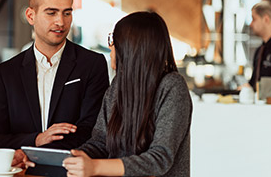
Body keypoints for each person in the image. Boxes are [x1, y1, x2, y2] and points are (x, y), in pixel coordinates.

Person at [0, 0, 109, 168]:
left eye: (67, 13)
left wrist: (32, 153)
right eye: (51, 13)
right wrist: (37, 140)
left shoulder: (92, 64)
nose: (61, 22)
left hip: (71, 172)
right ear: (30, 16)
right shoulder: (6, 73)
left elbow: (93, 133)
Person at [60, 11, 192, 177]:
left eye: (113, 40)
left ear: (131, 47)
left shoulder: (172, 86)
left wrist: (95, 167)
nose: (110, 46)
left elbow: (160, 158)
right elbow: (101, 142)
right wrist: (72, 158)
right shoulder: (118, 85)